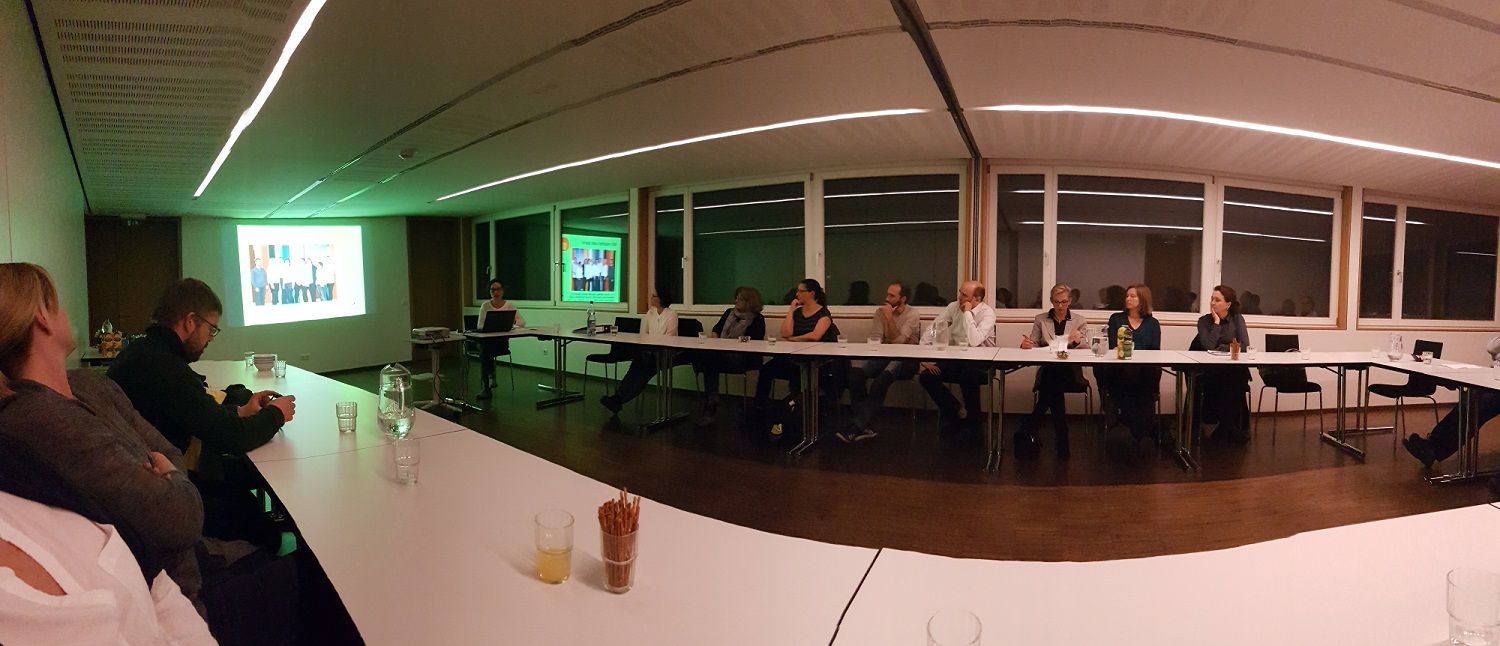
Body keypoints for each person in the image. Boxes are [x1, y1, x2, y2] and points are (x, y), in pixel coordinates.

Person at [0, 263, 206, 613]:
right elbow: (181, 518)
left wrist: (168, 476)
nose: (65, 312)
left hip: (193, 559)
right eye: (58, 304)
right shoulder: (40, 420)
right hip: (175, 599)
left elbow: (169, 451)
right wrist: (170, 477)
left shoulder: (90, 384)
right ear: (42, 318)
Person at [108, 279, 296, 549]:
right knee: (262, 528)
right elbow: (233, 438)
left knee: (244, 484)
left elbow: (195, 411)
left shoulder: (145, 353)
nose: (210, 339)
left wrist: (241, 410)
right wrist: (276, 414)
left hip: (149, 479)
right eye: (211, 329)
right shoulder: (164, 367)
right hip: (159, 495)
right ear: (190, 322)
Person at [0, 490, 215, 644]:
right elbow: (180, 516)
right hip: (194, 577)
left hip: (185, 595)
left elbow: (155, 582)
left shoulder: (19, 471)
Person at [840, 281, 922, 443]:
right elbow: (875, 339)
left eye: (892, 296)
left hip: (906, 359)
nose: (887, 298)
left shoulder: (912, 314)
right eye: (887, 294)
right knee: (855, 375)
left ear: (903, 299)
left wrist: (889, 318)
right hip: (883, 356)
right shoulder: (880, 312)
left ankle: (857, 426)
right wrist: (886, 336)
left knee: (880, 381)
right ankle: (864, 424)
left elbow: (899, 343)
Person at [1403, 335, 1500, 468]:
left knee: (1478, 407)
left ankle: (1434, 449)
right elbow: (1492, 347)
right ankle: (1432, 445)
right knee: (1467, 403)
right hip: (1495, 379)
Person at [916, 280, 996, 440]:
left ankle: (975, 427)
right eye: (960, 292)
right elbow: (935, 327)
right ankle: (957, 411)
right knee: (927, 377)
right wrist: (922, 352)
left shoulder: (987, 313)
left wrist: (967, 313)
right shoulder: (953, 307)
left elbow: (974, 341)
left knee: (968, 376)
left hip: (981, 362)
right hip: (957, 358)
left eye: (964, 295)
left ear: (977, 299)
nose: (959, 297)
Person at [1018, 283, 1089, 457]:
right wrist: (1026, 344)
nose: (1060, 306)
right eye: (1057, 302)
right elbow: (1034, 342)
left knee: (1051, 385)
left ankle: (1029, 427)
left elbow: (1087, 347)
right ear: (1051, 301)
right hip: (1049, 369)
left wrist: (1076, 341)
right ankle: (1061, 439)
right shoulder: (1041, 319)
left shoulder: (1079, 320)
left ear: (1070, 301)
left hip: (1071, 372)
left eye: (1064, 302)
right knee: (1053, 382)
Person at [755, 279, 842, 405]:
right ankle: (761, 405)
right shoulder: (797, 313)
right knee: (767, 369)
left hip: (816, 360)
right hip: (795, 356)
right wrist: (791, 310)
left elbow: (815, 336)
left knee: (798, 372)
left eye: (801, 291)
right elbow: (785, 333)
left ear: (812, 294)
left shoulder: (823, 313)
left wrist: (793, 339)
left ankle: (796, 405)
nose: (797, 294)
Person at [1096, 284, 1163, 441]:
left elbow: (1155, 350)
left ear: (1143, 299)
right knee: (1108, 370)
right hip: (1120, 369)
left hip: (1143, 372)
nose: (1128, 299)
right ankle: (1133, 420)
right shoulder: (1116, 319)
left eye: (1133, 296)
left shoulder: (1152, 323)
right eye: (1127, 296)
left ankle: (1132, 419)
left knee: (1149, 372)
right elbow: (1112, 346)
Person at [691, 287, 766, 426]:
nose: (735, 301)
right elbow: (716, 329)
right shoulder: (729, 313)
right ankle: (712, 399)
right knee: (709, 360)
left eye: (739, 298)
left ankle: (711, 401)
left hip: (743, 358)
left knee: (707, 361)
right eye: (736, 298)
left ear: (749, 301)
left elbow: (754, 340)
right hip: (722, 355)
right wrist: (716, 338)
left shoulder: (757, 319)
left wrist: (731, 343)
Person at [600, 285, 678, 414]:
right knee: (635, 368)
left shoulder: (672, 314)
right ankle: (618, 397)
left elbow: (670, 337)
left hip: (665, 352)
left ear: (661, 298)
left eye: (654, 296)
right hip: (650, 351)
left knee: (643, 371)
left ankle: (619, 399)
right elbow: (645, 334)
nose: (651, 298)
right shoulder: (650, 313)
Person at [1195, 284, 1252, 442]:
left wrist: (1222, 347)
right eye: (1212, 299)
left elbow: (1244, 346)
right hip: (1211, 369)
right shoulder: (1204, 321)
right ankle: (1222, 425)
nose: (1213, 303)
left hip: (1232, 368)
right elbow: (1207, 346)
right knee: (1224, 379)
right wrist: (1216, 323)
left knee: (1234, 378)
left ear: (1228, 304)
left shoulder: (1237, 319)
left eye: (1217, 300)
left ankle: (1229, 426)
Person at [475, 279, 526, 398]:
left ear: (503, 291)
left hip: (501, 343)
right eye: (493, 290)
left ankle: (488, 383)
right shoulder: (485, 306)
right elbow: (479, 326)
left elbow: (522, 322)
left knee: (484, 350)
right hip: (488, 341)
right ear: (489, 292)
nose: (496, 292)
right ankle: (490, 377)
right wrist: (490, 327)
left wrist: (510, 325)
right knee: (485, 349)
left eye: (498, 289)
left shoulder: (509, 305)